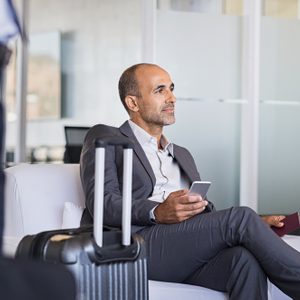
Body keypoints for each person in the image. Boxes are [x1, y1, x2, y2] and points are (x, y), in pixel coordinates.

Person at [80, 63, 300, 300]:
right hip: (139, 243)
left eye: (171, 89)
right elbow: (103, 202)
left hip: (183, 246)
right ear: (132, 103)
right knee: (242, 217)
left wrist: (257, 225)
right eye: (160, 90)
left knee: (243, 261)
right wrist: (157, 211)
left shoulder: (181, 154)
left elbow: (206, 214)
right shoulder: (107, 137)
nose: (172, 98)